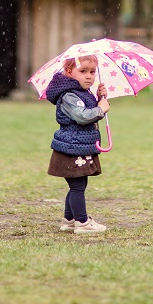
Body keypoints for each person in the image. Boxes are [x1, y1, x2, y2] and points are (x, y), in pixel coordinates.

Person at [44, 55, 111, 234]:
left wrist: (98, 98)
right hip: (72, 148)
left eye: (92, 72)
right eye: (83, 71)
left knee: (77, 185)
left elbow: (86, 110)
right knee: (77, 187)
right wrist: (101, 109)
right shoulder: (68, 95)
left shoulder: (81, 92)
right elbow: (82, 116)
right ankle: (82, 222)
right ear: (68, 72)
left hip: (79, 147)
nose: (89, 76)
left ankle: (69, 219)